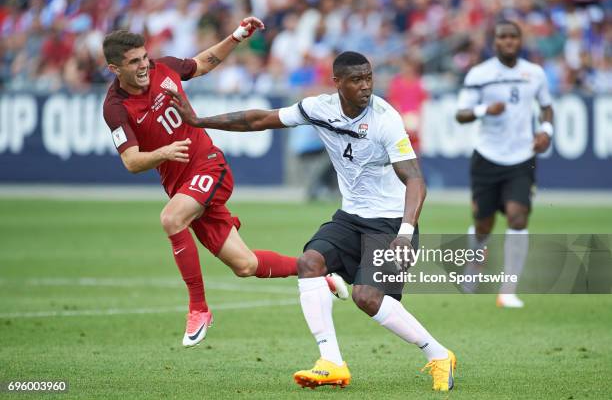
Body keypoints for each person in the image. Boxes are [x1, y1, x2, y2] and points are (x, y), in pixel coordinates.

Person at [166, 51, 457, 392]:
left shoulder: (385, 119)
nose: (366, 86)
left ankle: (438, 355)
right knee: (310, 262)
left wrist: (406, 234)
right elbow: (259, 120)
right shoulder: (319, 108)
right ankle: (331, 361)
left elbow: (416, 180)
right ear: (338, 83)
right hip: (350, 217)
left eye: (369, 78)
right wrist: (199, 122)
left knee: (366, 297)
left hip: (391, 224)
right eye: (356, 80)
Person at [101, 21, 346, 348]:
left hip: (208, 165)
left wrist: (236, 37)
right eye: (134, 62)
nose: (144, 65)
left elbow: (203, 63)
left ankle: (199, 309)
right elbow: (131, 161)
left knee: (171, 219)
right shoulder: (115, 108)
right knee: (245, 265)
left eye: (144, 57)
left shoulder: (166, 68)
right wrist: (164, 153)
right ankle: (321, 272)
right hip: (180, 185)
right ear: (114, 68)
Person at [455, 20, 554, 308]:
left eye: (513, 37)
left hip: (522, 157)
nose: (509, 41)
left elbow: (547, 107)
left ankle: (508, 290)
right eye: (503, 37)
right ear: (494, 41)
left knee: (518, 217)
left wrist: (546, 132)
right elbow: (461, 114)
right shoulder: (480, 74)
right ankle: (473, 268)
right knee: (483, 225)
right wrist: (486, 109)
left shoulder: (534, 74)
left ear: (520, 41)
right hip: (487, 156)